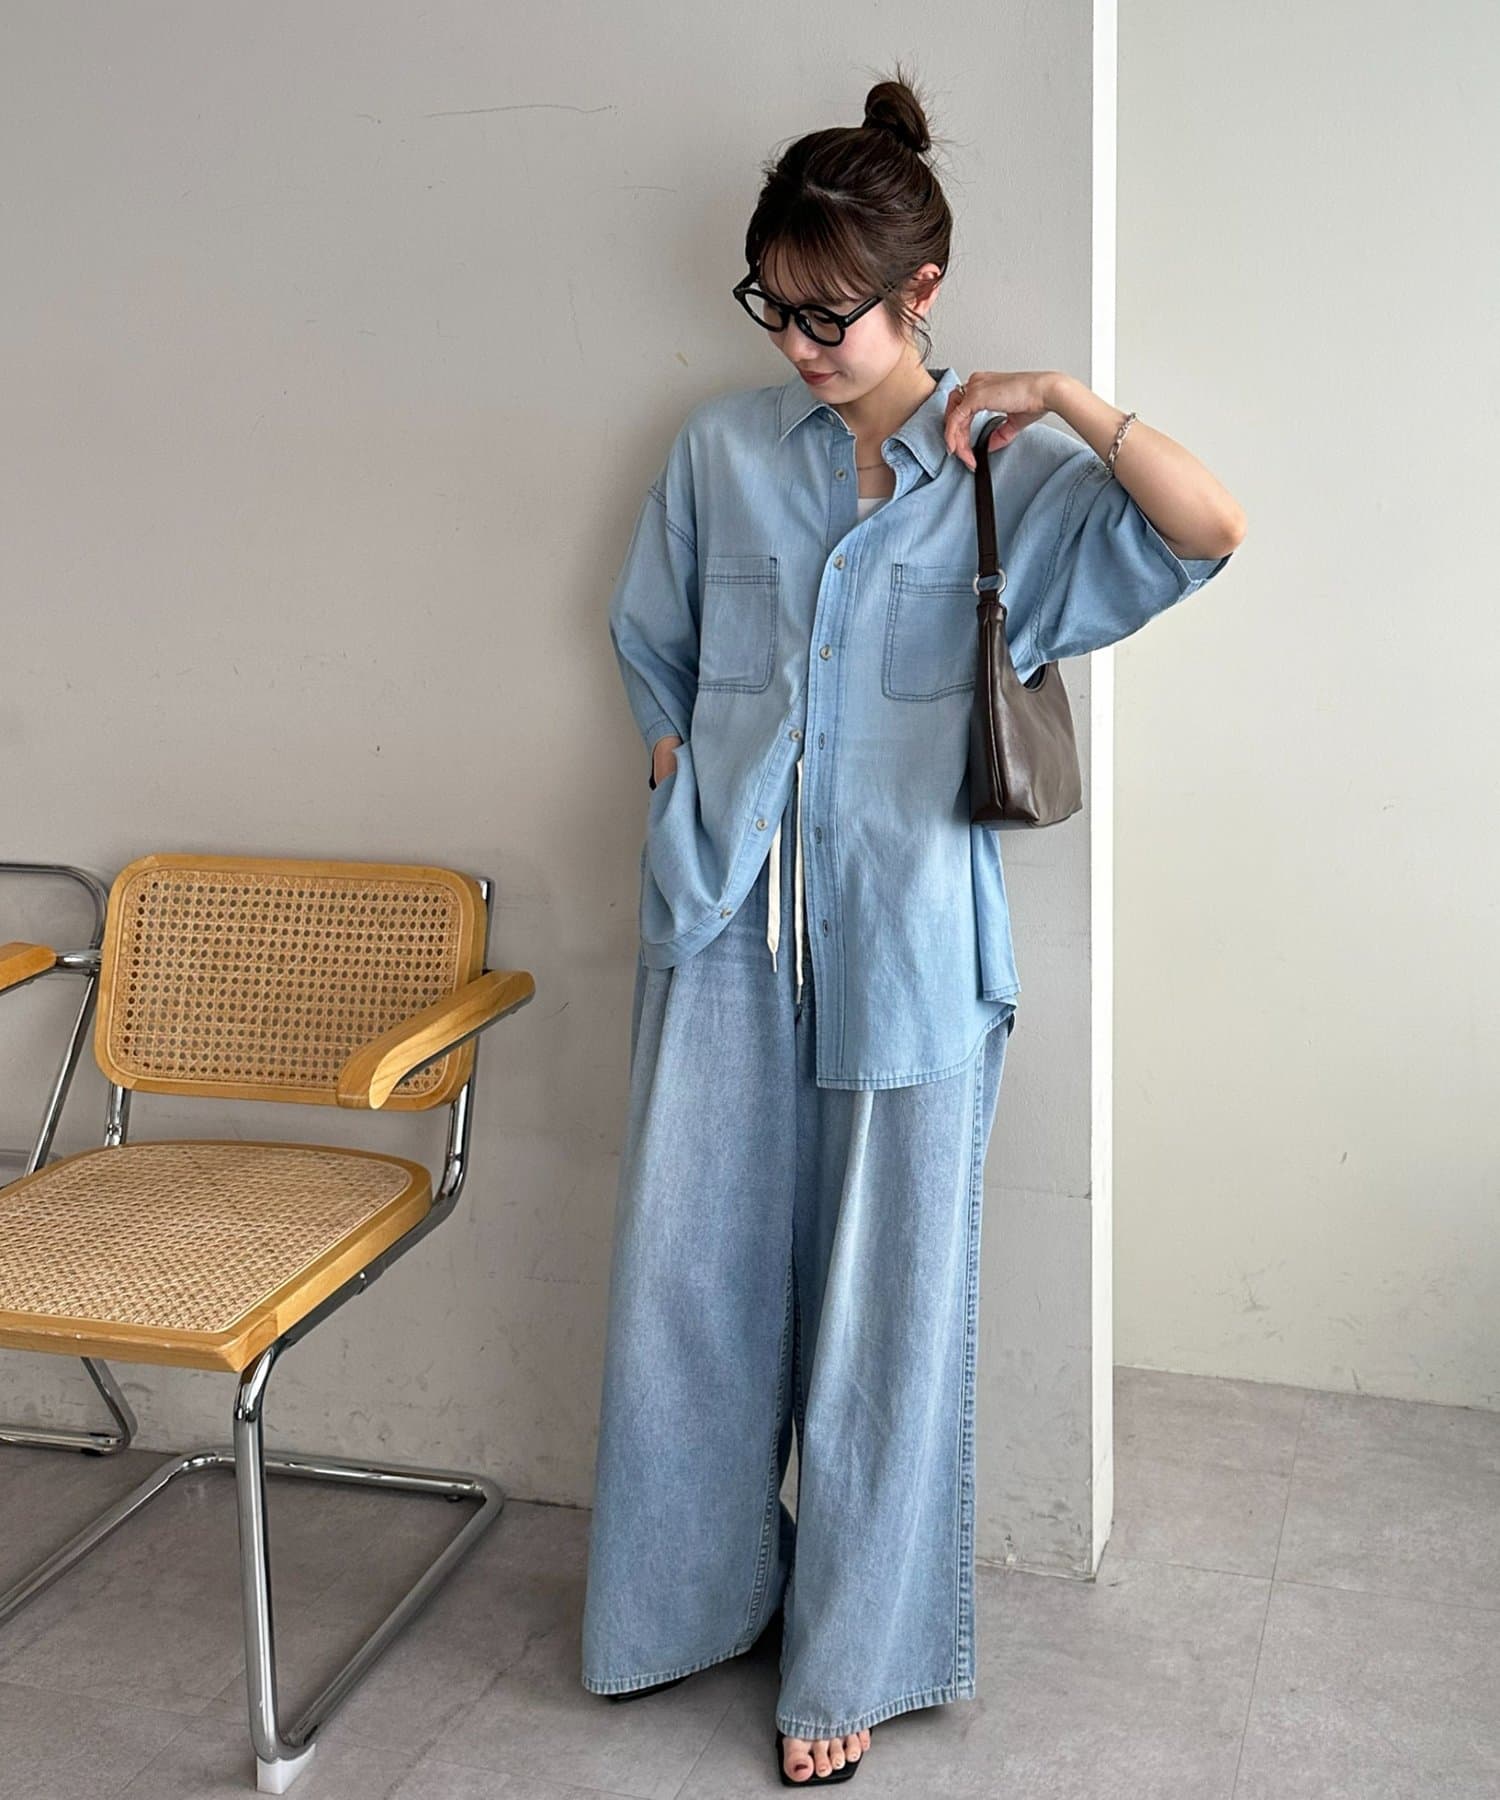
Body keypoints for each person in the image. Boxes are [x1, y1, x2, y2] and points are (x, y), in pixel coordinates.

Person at [580, 64, 1245, 1787]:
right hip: (723, 925)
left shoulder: (1008, 478)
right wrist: (678, 775)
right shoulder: (723, 452)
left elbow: (1210, 530)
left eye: (832, 314)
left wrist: (1068, 398)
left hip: (912, 950)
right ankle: (689, 1604)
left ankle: (850, 1663)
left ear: (920, 292)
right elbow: (653, 639)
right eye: (774, 309)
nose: (800, 344)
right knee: (691, 1288)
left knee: (886, 1318)